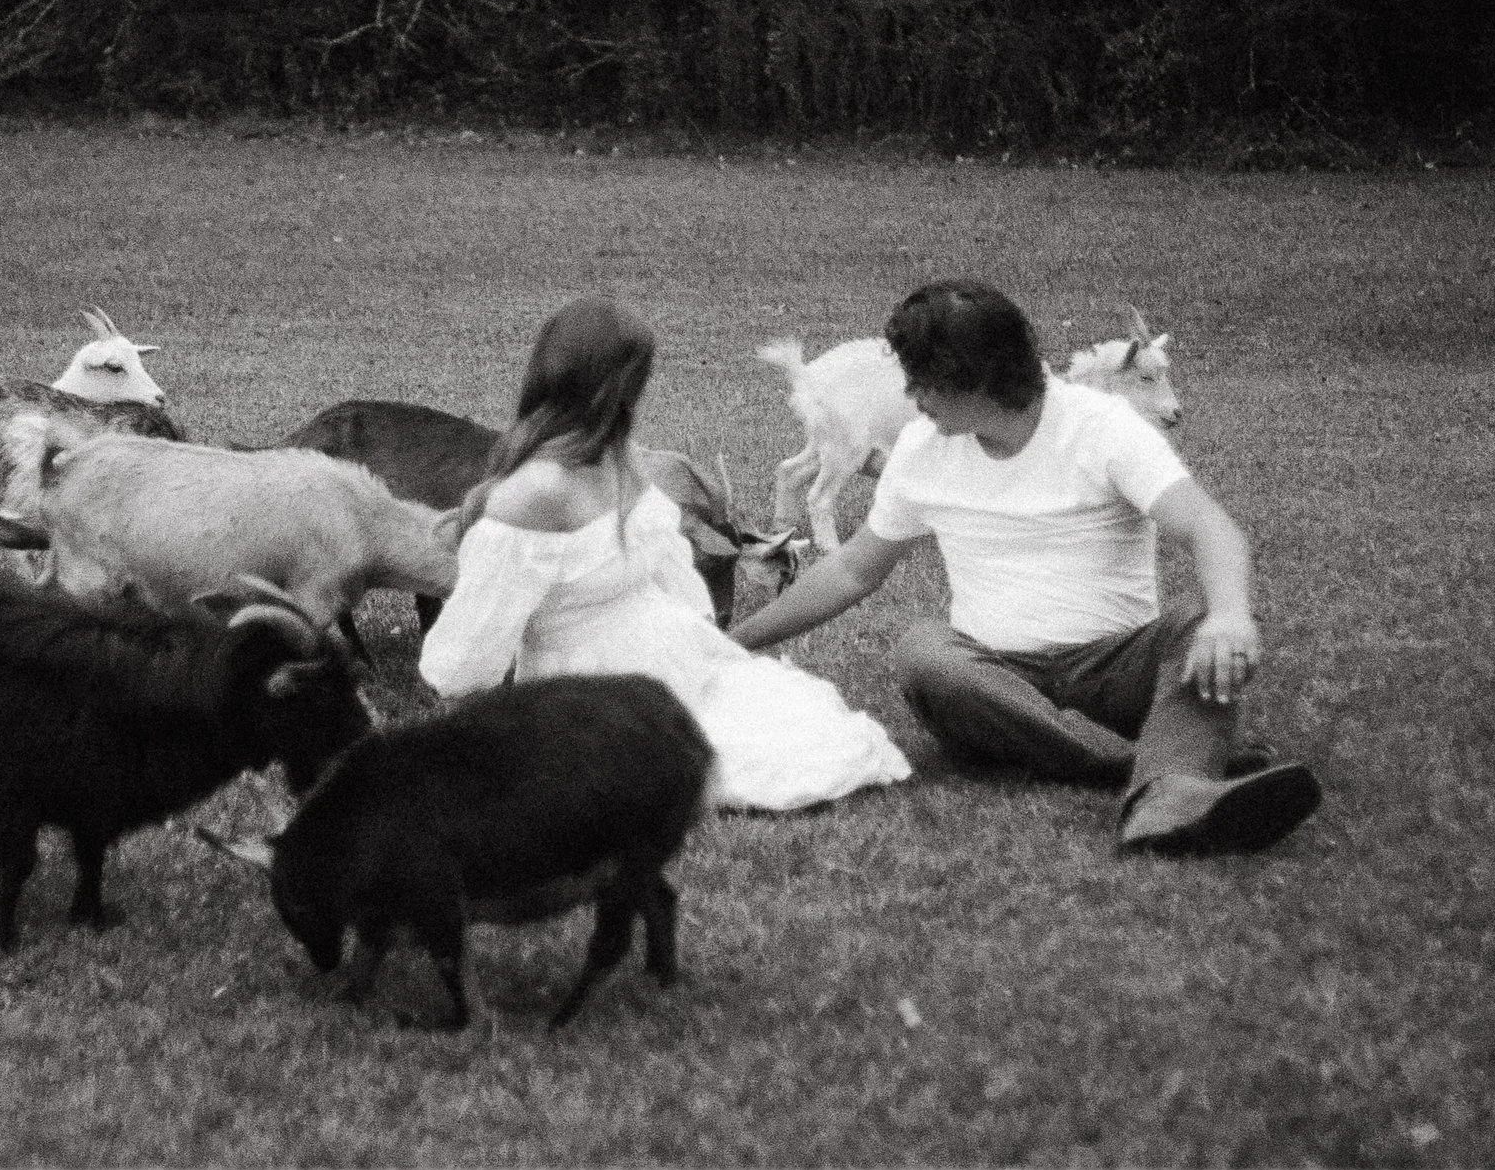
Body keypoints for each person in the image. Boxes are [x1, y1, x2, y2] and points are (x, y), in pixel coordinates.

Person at [729, 280, 1322, 853]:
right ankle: (1149, 772)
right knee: (925, 652)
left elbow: (1209, 526)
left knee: (1195, 632)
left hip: (1117, 666)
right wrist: (734, 642)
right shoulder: (919, 447)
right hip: (993, 682)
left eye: (923, 381)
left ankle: (1165, 793)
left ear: (976, 377)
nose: (914, 398)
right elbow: (854, 571)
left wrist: (1229, 614)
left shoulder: (1102, 426)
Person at [419, 295, 912, 813]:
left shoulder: (535, 490)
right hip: (667, 648)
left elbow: (465, 663)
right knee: (770, 725)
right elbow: (683, 590)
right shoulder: (623, 466)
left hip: (597, 678)